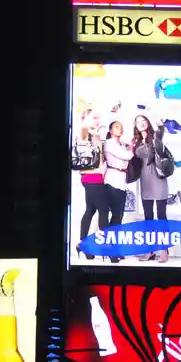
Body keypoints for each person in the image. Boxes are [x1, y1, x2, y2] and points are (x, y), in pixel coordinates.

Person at [129, 114, 171, 262]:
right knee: (148, 218)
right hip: (144, 180)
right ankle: (150, 250)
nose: (141, 123)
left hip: (158, 179)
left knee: (161, 217)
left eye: (143, 120)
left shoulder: (156, 137)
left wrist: (158, 125)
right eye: (137, 121)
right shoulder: (135, 141)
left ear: (147, 122)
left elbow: (160, 130)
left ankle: (165, 250)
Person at [73, 111, 107, 260]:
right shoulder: (84, 132)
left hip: (97, 177)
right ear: (85, 120)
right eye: (94, 117)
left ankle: (83, 245)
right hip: (90, 177)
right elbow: (83, 129)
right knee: (104, 210)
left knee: (91, 210)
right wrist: (86, 120)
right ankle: (106, 248)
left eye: (98, 117)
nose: (97, 120)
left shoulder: (96, 136)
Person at [100, 119, 133, 234]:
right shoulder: (109, 143)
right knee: (115, 214)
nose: (120, 129)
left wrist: (129, 149)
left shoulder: (121, 145)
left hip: (121, 181)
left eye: (121, 127)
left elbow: (126, 160)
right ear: (111, 130)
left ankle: (113, 244)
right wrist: (131, 149)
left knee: (119, 215)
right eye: (117, 127)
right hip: (112, 180)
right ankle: (108, 243)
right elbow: (127, 156)